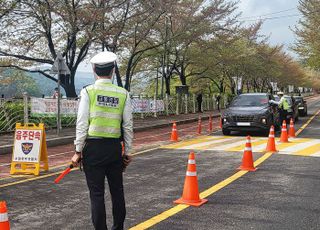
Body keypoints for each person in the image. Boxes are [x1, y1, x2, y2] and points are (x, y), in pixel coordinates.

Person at [71, 51, 133, 230]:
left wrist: (77, 151)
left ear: (93, 69)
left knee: (97, 194)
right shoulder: (123, 94)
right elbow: (128, 126)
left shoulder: (88, 92)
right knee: (117, 191)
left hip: (93, 149)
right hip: (114, 149)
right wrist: (128, 151)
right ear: (113, 70)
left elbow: (82, 124)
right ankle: (118, 227)